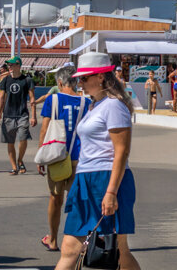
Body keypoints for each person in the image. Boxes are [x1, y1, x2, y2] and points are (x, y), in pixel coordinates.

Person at [54, 51, 140, 270]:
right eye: (79, 79)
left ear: (101, 77)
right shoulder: (95, 105)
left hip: (106, 179)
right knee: (71, 247)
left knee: (118, 250)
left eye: (84, 78)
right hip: (86, 179)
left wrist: (111, 192)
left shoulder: (114, 105)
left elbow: (122, 151)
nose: (79, 83)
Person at [38, 68, 88, 252]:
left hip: (57, 156)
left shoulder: (53, 99)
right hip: (79, 157)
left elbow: (45, 129)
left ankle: (52, 239)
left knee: (55, 198)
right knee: (77, 200)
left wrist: (41, 155)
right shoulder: (86, 102)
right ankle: (78, 241)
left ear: (60, 82)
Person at [0, 57, 36, 175]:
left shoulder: (27, 80)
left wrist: (33, 116)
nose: (9, 67)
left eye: (12, 65)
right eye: (9, 65)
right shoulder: (5, 80)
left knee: (23, 138)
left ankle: (20, 160)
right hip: (8, 115)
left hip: (22, 114)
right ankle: (14, 167)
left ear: (18, 65)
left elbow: (32, 99)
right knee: (10, 142)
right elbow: (1, 98)